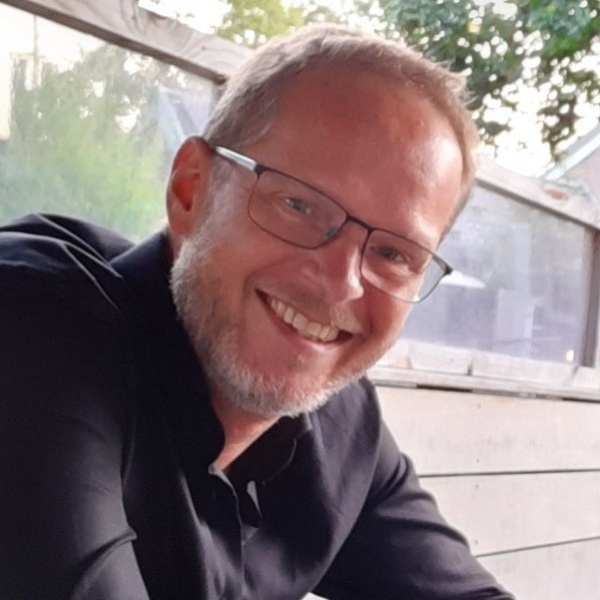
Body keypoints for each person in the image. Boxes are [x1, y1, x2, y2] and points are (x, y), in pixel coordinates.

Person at [0, 24, 514, 600]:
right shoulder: (35, 324)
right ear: (191, 191)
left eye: (395, 254)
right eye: (299, 204)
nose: (341, 283)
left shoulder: (343, 427)